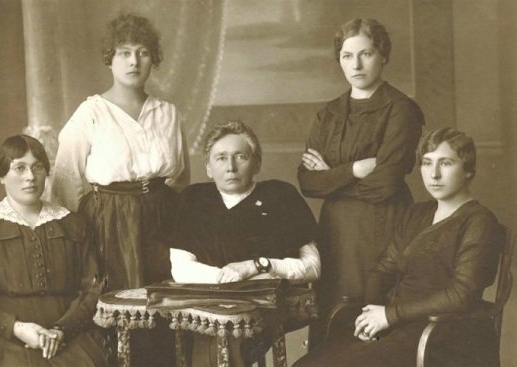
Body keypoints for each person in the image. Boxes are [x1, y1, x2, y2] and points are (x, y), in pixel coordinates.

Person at [293, 127, 504, 367]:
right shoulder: (417, 213)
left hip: (442, 332)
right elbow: (382, 270)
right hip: (395, 325)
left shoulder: (479, 221)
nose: (433, 174)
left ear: (468, 170)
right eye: (426, 163)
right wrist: (370, 316)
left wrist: (390, 315)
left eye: (445, 163)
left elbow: (462, 294)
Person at [50, 13, 189, 365]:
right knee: (120, 312)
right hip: (109, 223)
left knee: (165, 311)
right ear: (109, 59)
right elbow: (65, 181)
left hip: (162, 218)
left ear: (153, 60)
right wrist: (85, 231)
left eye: (143, 52)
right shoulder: (91, 113)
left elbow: (182, 175)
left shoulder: (168, 113)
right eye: (124, 52)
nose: (133, 61)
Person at [298, 18, 425, 347]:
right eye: (346, 55)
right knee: (333, 326)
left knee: (374, 320)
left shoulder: (401, 110)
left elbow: (384, 184)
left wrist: (332, 175)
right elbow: (308, 181)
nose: (355, 64)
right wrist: (353, 170)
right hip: (336, 232)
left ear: (383, 55)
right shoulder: (329, 113)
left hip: (382, 226)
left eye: (365, 54)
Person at [169, 120, 320, 366]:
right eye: (220, 158)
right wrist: (229, 278)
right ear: (208, 167)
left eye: (240, 157)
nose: (230, 167)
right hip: (205, 309)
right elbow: (181, 268)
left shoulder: (281, 196)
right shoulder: (193, 200)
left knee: (229, 342)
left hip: (261, 310)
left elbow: (313, 267)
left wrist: (256, 265)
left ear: (257, 163)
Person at [0, 135, 107, 366]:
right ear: (1, 176)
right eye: (19, 168)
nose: (30, 177)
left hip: (70, 334)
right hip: (7, 338)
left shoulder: (72, 223)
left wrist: (62, 330)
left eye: (37, 167)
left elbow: (93, 286)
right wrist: (15, 327)